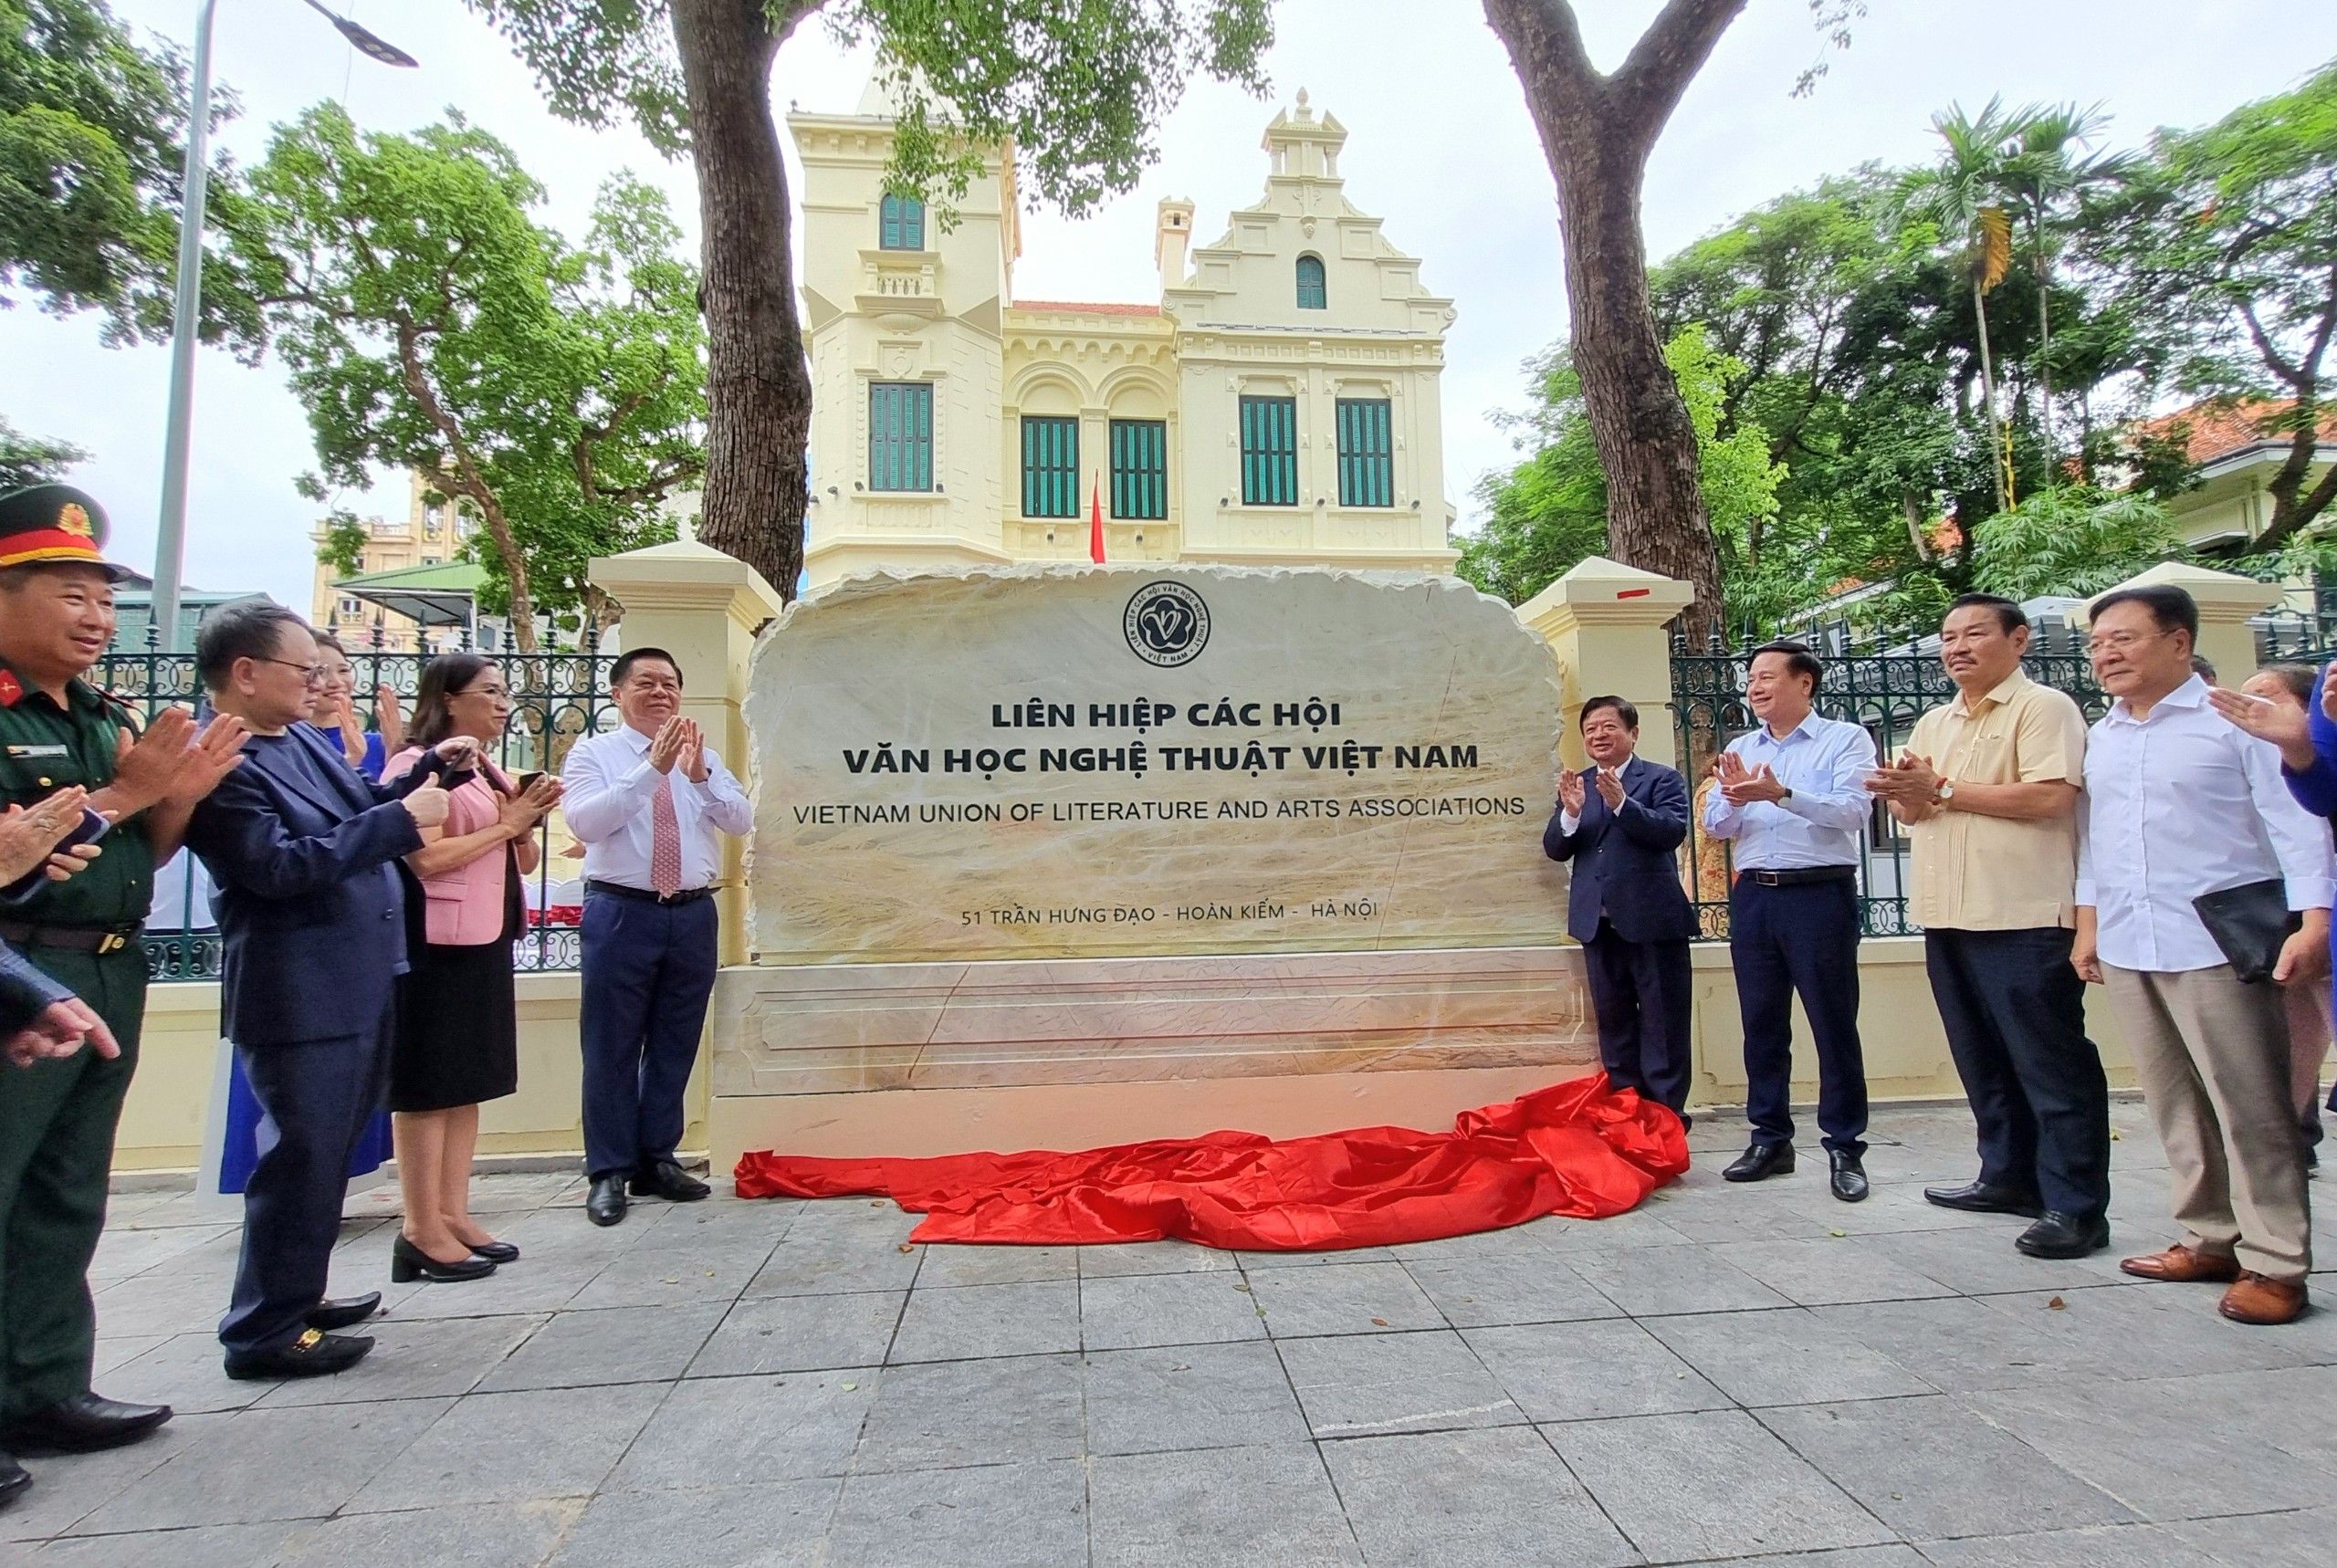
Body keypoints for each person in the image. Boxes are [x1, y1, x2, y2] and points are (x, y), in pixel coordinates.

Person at [0, 486, 246, 1477]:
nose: (98, 618)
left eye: (105, 599)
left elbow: (141, 844)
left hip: (108, 959)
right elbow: (35, 846)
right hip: (21, 965)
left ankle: (45, 1381)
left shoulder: (102, 715)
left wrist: (171, 799)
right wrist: (132, 790)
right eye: (72, 594)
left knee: (67, 1187)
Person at [184, 603, 471, 1378]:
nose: (320, 683)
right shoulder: (221, 759)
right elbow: (276, 867)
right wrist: (404, 823)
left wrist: (425, 775)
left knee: (327, 1153)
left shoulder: (300, 744)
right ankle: (264, 1330)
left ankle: (294, 1295)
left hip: (359, 975)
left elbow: (363, 809)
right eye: (303, 669)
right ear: (244, 674)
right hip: (298, 987)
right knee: (299, 1158)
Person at [2076, 586, 2330, 1325]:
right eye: (2097, 644)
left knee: (2251, 1104)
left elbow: (2298, 826)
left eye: (2124, 639)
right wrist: (2089, 927)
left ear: (2180, 642)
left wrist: (2315, 922)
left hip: (2218, 943)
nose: (2107, 655)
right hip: (2130, 940)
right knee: (2174, 1102)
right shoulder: (2106, 736)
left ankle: (2278, 1262)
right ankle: (2210, 1235)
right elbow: (2095, 841)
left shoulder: (2235, 725)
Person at [1867, 594, 2111, 1258]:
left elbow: (2051, 796)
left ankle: (2076, 1206)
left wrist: (1941, 791)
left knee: (2050, 1064)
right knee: (1984, 1060)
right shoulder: (1934, 721)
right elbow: (1913, 815)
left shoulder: (2044, 709)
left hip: (2024, 916)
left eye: (1975, 633)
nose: (1958, 647)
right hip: (1948, 916)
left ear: (2019, 640)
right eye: (1948, 637)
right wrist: (1905, 790)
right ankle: (2007, 1177)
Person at [379, 655, 561, 1281]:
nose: (503, 702)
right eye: (490, 691)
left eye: (505, 692)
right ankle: (419, 1226)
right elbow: (422, 861)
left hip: (484, 937)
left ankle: (453, 1213)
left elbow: (525, 861)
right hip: (434, 945)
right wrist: (505, 825)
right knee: (428, 1089)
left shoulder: (485, 769)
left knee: (466, 1084)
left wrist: (524, 820)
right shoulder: (416, 766)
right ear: (449, 700)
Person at [562, 648, 750, 1226]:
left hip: (692, 914)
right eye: (647, 683)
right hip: (622, 912)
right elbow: (586, 823)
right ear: (619, 694)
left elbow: (741, 820)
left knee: (676, 1040)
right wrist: (653, 770)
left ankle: (657, 1157)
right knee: (612, 1042)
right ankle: (609, 1170)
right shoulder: (593, 754)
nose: (662, 693)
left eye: (671, 683)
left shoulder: (705, 756)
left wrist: (697, 775)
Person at [1702, 642, 1879, 1202]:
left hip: (1818, 895)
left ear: (1804, 683)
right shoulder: (1741, 746)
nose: (1754, 687)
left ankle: (1845, 1146)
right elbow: (1716, 826)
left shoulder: (1844, 740)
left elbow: (1853, 812)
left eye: (1766, 677)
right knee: (1762, 1025)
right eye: (1751, 678)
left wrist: (1782, 793)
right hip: (1755, 898)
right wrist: (1732, 796)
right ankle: (1770, 1138)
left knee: (1832, 1023)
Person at [1542, 696, 1698, 1121]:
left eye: (1608, 727)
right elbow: (1556, 849)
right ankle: (1626, 1113)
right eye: (1590, 729)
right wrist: (1571, 815)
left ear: (1632, 733)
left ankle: (1665, 1118)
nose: (1599, 736)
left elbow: (1670, 832)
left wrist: (1623, 805)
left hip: (1653, 924)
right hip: (1599, 925)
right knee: (1614, 1024)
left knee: (1664, 1023)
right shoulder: (1579, 784)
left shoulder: (1661, 779)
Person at [2222, 663, 2334, 1168]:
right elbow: (2319, 800)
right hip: (2288, 907)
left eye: (2266, 696)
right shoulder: (2306, 736)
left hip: (2315, 908)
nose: (2251, 709)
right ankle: (2285, 1148)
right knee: (2290, 1048)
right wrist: (2301, 749)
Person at [309, 632, 403, 782]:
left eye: (343, 670)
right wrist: (351, 760)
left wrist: (394, 751)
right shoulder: (292, 743)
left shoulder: (377, 743)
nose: (336, 682)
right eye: (320, 672)